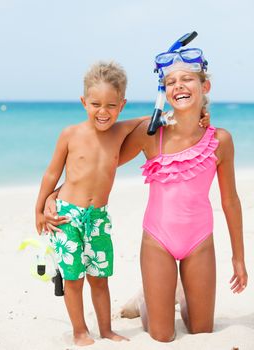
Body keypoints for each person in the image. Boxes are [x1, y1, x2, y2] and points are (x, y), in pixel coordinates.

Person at [38, 61, 210, 346]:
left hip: (98, 218)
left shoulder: (119, 133)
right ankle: (80, 331)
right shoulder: (70, 134)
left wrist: (200, 113)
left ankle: (105, 330)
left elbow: (152, 119)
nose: (103, 112)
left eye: (110, 106)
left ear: (121, 105)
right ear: (84, 102)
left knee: (100, 278)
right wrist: (42, 204)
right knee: (73, 279)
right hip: (67, 217)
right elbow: (52, 173)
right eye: (95, 104)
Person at [116, 46, 248, 342]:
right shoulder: (151, 134)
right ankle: (145, 300)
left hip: (199, 241)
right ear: (164, 92)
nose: (179, 86)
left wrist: (238, 258)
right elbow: (104, 164)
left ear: (205, 86)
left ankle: (179, 291)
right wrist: (57, 192)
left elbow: (230, 201)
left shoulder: (220, 141)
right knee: (161, 336)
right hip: (158, 241)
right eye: (170, 82)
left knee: (202, 330)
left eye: (187, 79)